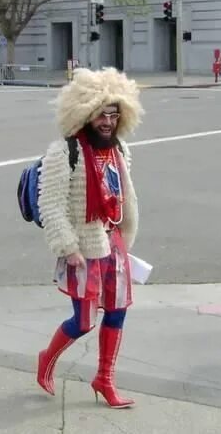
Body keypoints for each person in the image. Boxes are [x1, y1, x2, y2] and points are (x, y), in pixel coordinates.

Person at [36, 67, 143, 408]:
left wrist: (124, 236)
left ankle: (105, 379)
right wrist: (69, 248)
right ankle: (46, 358)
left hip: (114, 244)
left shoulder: (119, 149)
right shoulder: (64, 152)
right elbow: (50, 204)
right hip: (82, 248)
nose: (107, 121)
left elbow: (122, 194)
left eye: (113, 114)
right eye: (101, 114)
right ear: (84, 114)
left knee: (117, 312)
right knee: (83, 322)